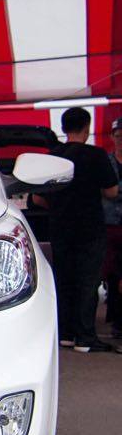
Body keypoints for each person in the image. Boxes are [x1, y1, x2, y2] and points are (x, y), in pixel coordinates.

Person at [39, 107, 119, 352]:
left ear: (63, 128)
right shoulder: (96, 155)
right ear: (87, 127)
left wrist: (59, 203)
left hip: (60, 226)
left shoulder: (52, 157)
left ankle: (66, 333)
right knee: (88, 280)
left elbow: (38, 198)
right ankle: (85, 337)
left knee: (64, 278)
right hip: (90, 226)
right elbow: (112, 191)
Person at [102, 117, 122, 336]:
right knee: (112, 273)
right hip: (110, 223)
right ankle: (116, 319)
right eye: (118, 136)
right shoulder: (106, 161)